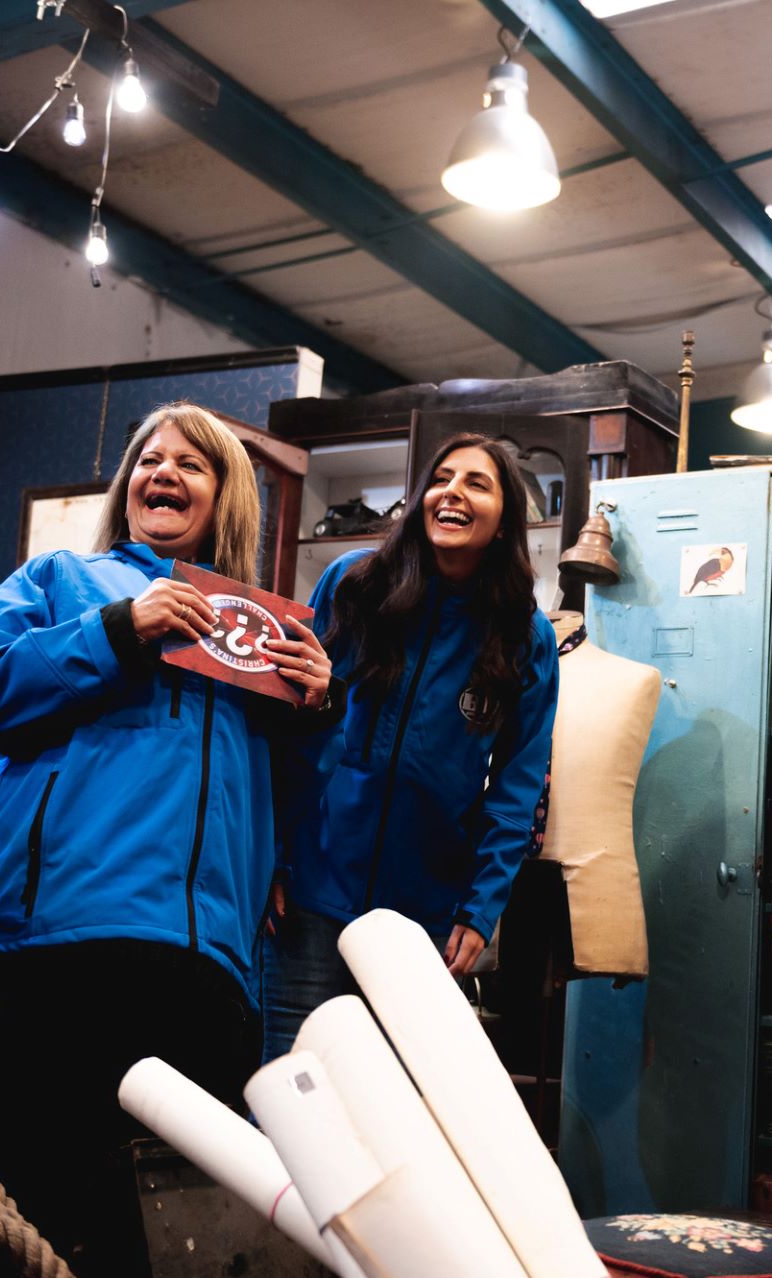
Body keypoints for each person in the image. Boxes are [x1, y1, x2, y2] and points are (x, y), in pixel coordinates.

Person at [0, 402, 337, 1275]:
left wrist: (319, 710)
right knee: (30, 1218)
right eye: (148, 460)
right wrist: (122, 628)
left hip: (208, 970)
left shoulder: (262, 630)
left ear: (226, 497)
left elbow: (286, 804)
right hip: (62, 949)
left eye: (190, 464)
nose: (161, 473)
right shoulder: (59, 579)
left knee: (179, 1240)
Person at [262, 432, 559, 1060]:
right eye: (441, 479)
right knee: (290, 1097)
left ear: (506, 515)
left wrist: (480, 910)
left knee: (388, 1113)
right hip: (313, 889)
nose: (451, 493)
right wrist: (276, 858)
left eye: (476, 483)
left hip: (420, 916)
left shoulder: (523, 635)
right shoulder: (354, 585)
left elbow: (516, 787)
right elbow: (291, 726)